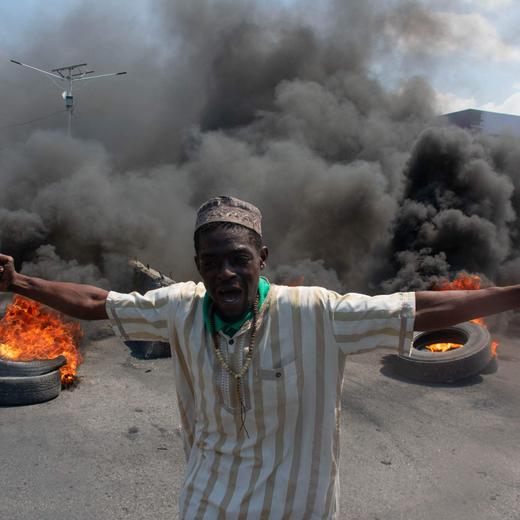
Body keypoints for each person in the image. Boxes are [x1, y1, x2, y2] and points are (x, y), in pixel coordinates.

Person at [0, 195, 518, 519]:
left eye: (238, 259)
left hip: (296, 509)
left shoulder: (316, 312)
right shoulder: (180, 306)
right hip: (206, 504)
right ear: (198, 265)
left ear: (262, 258)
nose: (225, 273)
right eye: (211, 262)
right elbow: (96, 304)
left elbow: (421, 308)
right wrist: (19, 281)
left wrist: (512, 294)